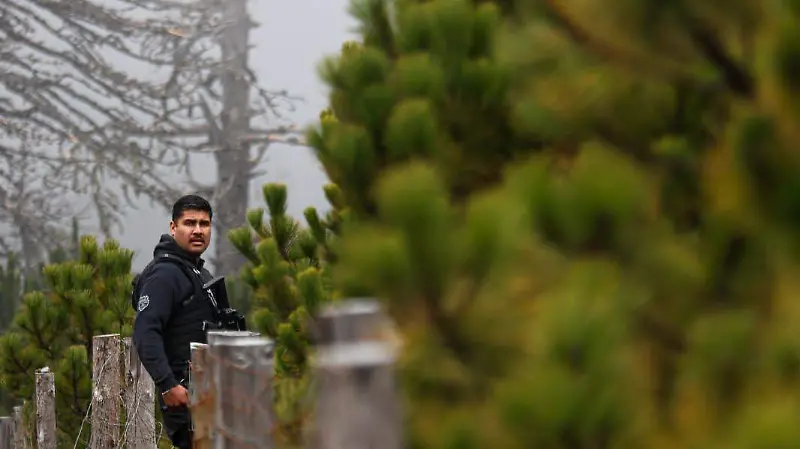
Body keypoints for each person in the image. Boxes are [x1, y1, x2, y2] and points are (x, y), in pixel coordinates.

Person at [132, 194, 217, 449]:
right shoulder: (165, 275)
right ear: (173, 227)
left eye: (204, 224)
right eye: (189, 223)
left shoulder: (199, 273)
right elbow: (146, 333)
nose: (198, 231)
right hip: (185, 398)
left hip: (209, 394)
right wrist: (168, 385)